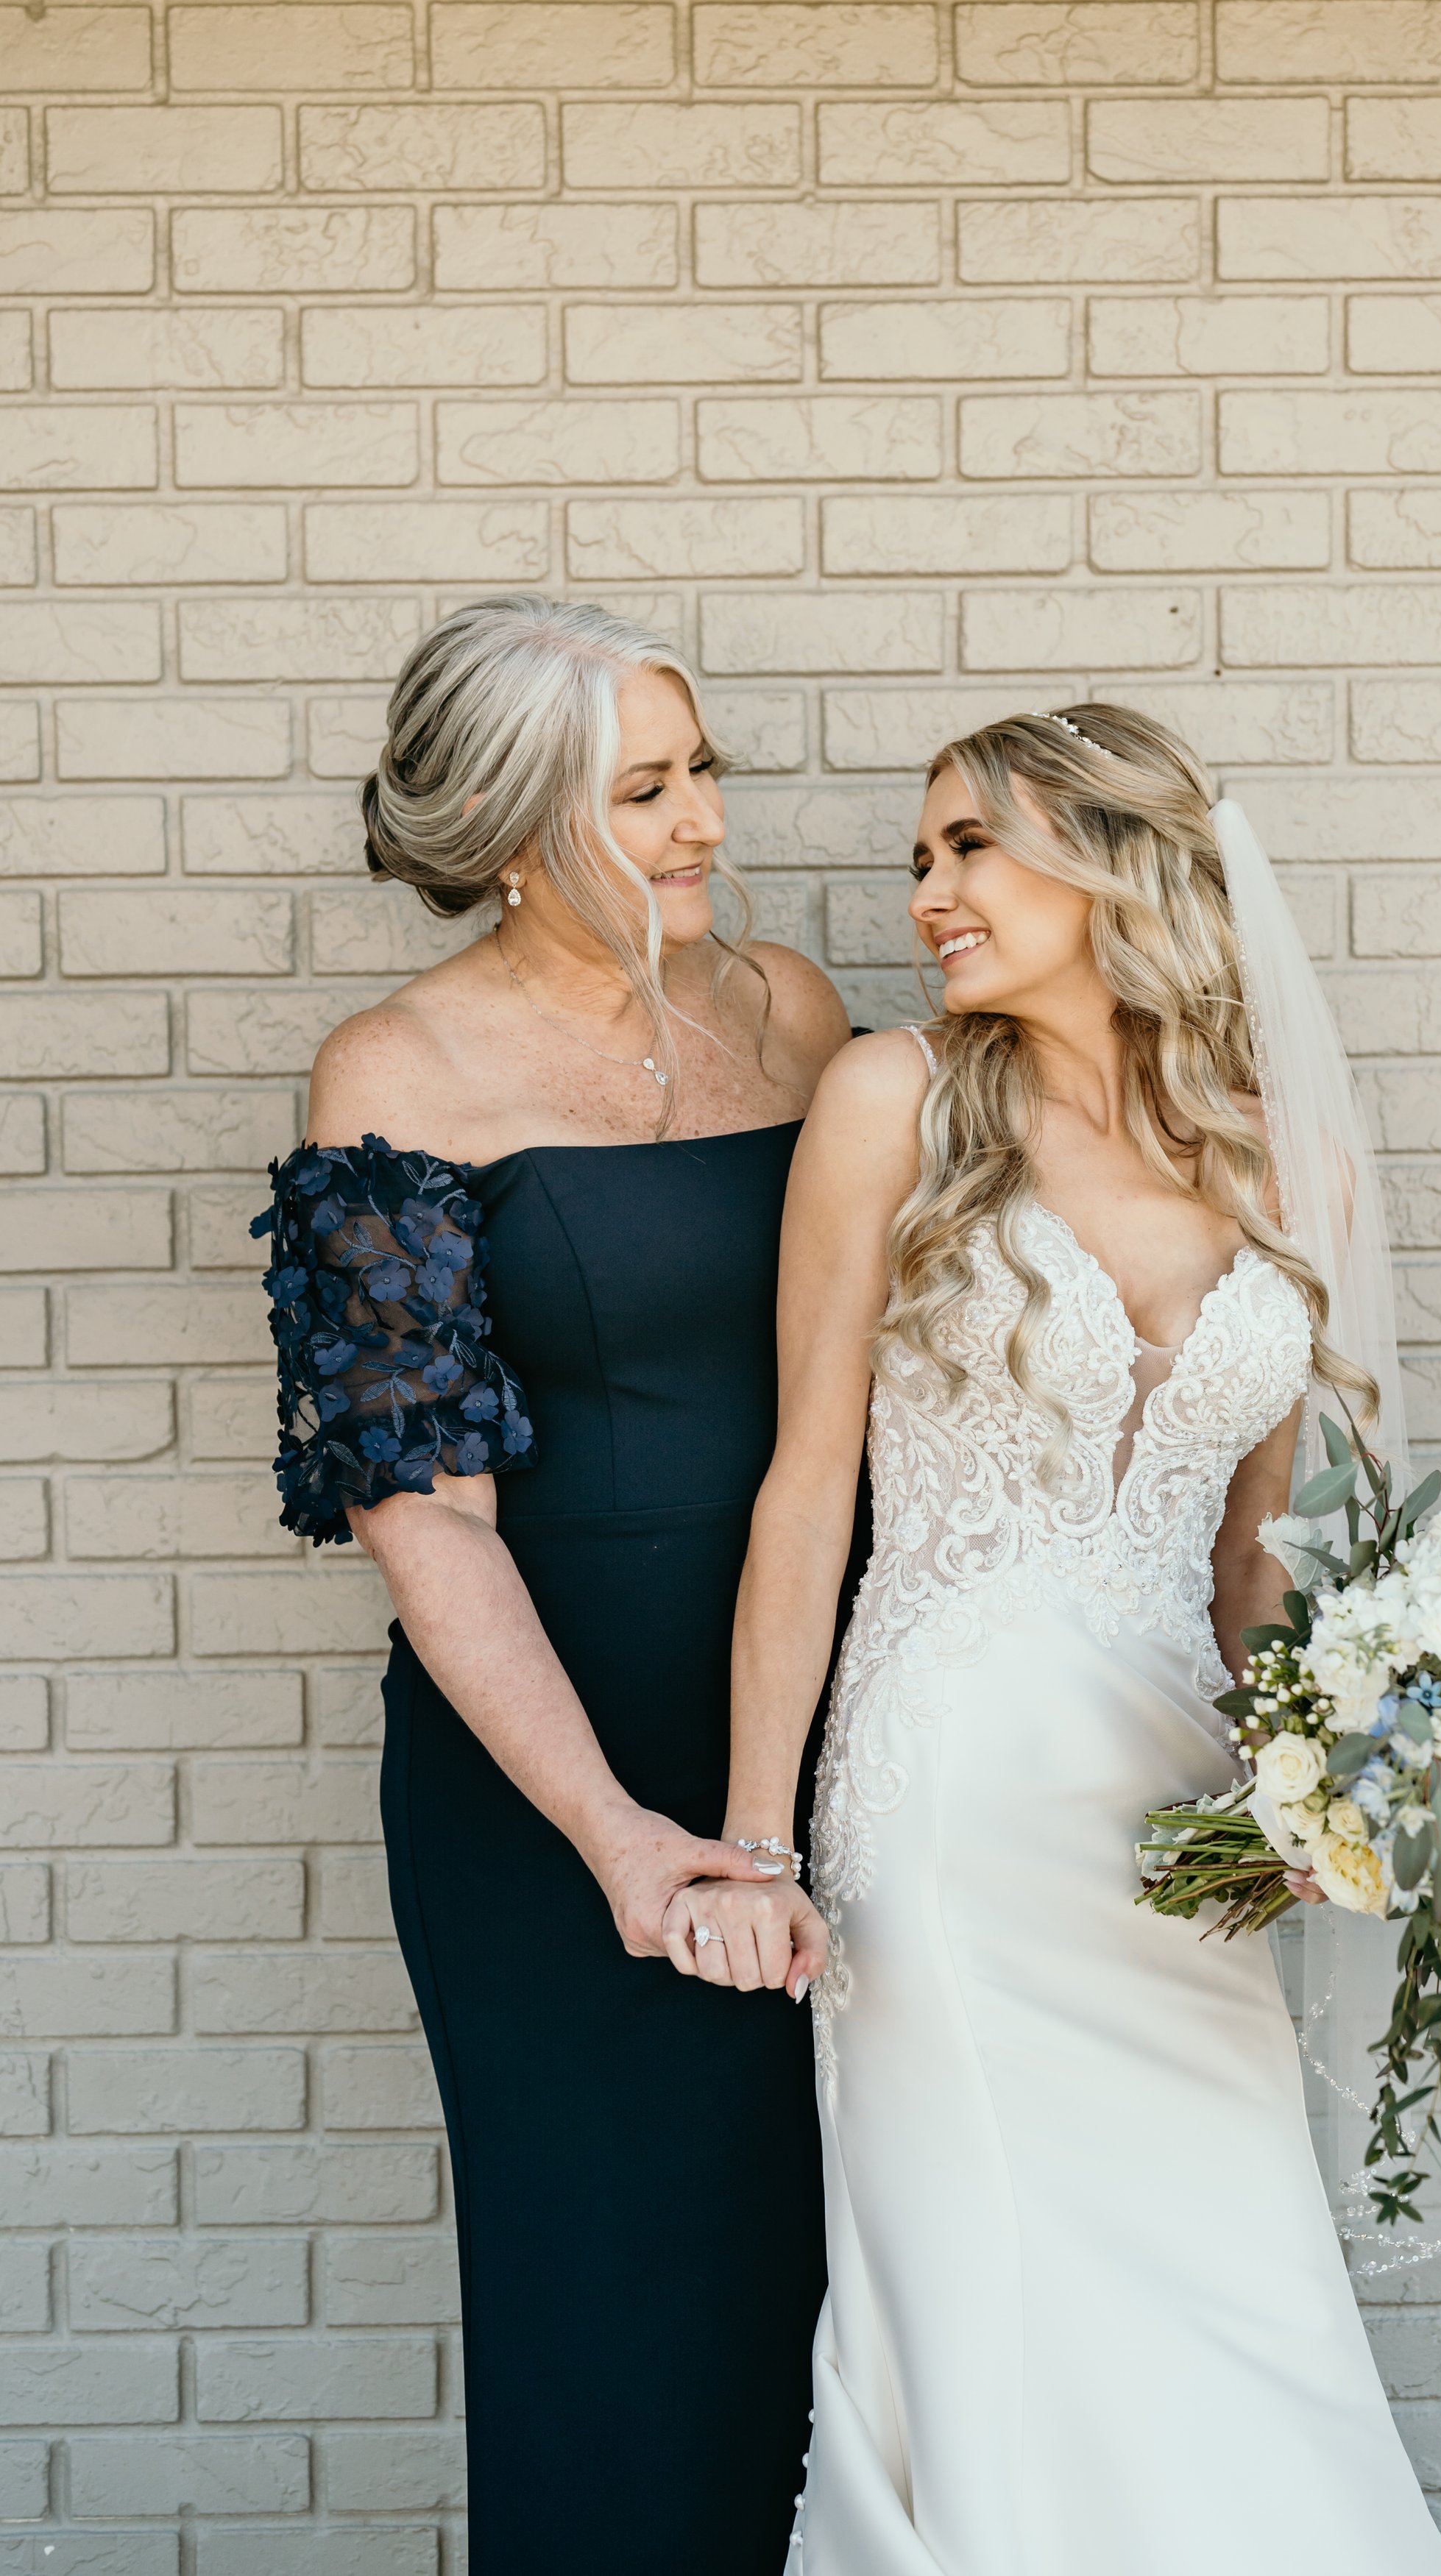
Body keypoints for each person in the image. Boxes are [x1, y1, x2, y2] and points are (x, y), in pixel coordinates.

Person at [672, 705, 1441, 2572]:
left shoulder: (1289, 1169)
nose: (929, 891)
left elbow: (1254, 1569)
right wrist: (755, 1839)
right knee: (988, 2285)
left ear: (1112, 862)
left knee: (1233, 2273)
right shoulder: (893, 1103)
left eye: (973, 848)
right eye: (920, 855)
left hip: (1183, 1821)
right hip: (947, 1792)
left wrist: (1332, 1798)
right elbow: (805, 1492)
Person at [253, 597, 852, 2573]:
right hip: (549, 1782)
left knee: (850, 2284)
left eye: (700, 774)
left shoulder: (791, 1007)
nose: (698, 824)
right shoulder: (397, 1070)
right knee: (613, 2309)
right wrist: (614, 1833)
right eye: (641, 791)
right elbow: (418, 1505)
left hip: (827, 1720)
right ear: (513, 832)